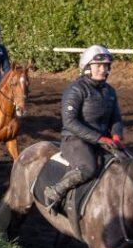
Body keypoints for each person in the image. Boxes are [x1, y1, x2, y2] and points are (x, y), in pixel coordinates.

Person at [42, 45, 125, 212]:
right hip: (75, 139)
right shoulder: (76, 89)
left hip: (102, 141)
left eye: (106, 66)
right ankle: (55, 191)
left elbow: (116, 118)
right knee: (88, 168)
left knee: (128, 165)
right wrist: (99, 138)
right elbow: (70, 122)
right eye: (99, 66)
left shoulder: (110, 91)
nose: (103, 69)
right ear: (87, 67)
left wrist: (116, 135)